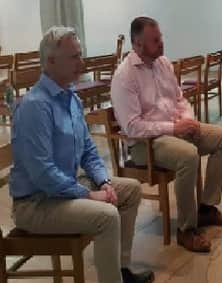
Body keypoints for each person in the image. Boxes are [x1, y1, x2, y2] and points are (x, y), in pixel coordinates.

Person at [10, 27, 154, 283]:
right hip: (37, 203)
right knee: (107, 216)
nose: (82, 63)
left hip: (65, 189)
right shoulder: (35, 106)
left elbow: (88, 149)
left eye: (80, 55)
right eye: (74, 57)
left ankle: (120, 272)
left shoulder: (71, 98)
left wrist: (103, 182)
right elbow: (43, 172)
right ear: (51, 62)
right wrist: (89, 194)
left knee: (130, 190)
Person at [110, 17, 222, 253]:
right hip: (146, 144)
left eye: (161, 38)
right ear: (138, 44)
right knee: (188, 155)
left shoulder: (163, 63)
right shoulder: (124, 76)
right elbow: (132, 127)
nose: (161, 43)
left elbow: (178, 98)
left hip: (175, 128)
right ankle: (186, 230)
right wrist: (173, 128)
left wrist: (189, 119)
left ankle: (207, 208)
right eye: (155, 40)